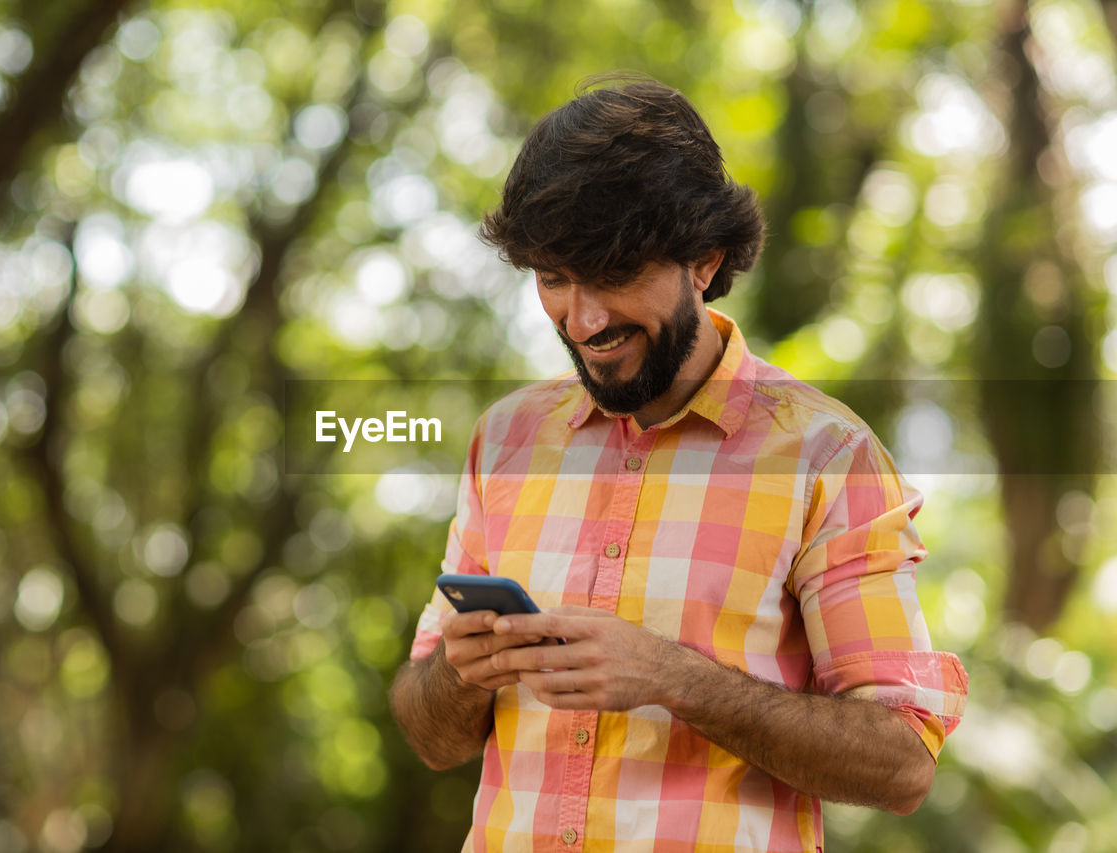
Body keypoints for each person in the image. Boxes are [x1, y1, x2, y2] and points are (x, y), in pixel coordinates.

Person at [390, 76, 967, 852]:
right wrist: (462, 670)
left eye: (614, 272)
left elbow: (902, 765)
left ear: (704, 259)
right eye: (556, 278)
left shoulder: (828, 457)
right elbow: (431, 735)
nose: (584, 319)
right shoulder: (507, 441)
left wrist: (676, 678)